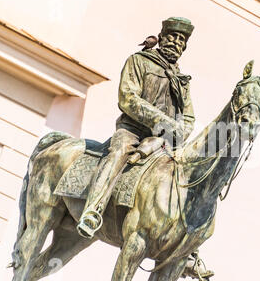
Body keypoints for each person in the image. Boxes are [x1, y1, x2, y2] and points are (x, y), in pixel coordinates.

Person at [76, 17, 196, 239]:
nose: (176, 42)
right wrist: (163, 121)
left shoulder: (182, 81)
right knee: (117, 154)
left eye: (181, 40)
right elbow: (128, 98)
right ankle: (92, 210)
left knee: (187, 174)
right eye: (172, 36)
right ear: (161, 38)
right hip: (132, 131)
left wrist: (179, 132)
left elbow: (188, 117)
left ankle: (185, 241)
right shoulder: (139, 61)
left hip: (163, 141)